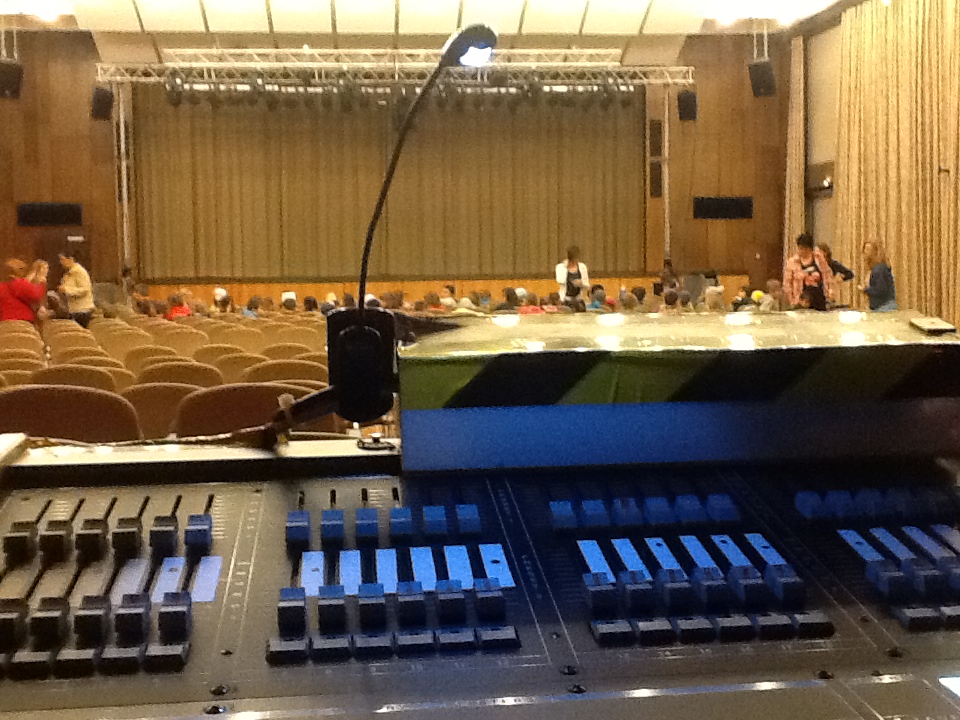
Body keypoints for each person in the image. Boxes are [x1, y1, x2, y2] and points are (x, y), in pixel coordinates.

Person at [783, 233, 834, 311]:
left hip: (819, 299)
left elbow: (827, 274)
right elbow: (787, 283)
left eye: (806, 249)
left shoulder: (819, 258)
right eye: (801, 248)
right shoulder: (792, 262)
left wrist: (830, 292)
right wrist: (792, 300)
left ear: (810, 249)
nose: (803, 251)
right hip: (800, 301)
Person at [0, 258, 47, 323]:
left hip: (4, 322)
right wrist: (41, 282)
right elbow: (36, 295)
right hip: (22, 321)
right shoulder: (19, 283)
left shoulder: (1, 286)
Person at [58, 253, 95, 327]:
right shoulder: (68, 273)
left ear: (70, 259)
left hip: (81, 309)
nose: (61, 262)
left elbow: (85, 289)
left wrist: (66, 290)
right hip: (73, 309)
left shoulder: (79, 272)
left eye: (62, 259)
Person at [859, 242, 897, 311]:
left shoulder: (879, 269)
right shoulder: (880, 268)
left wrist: (865, 290)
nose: (864, 252)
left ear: (875, 252)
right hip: (883, 306)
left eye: (868, 249)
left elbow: (881, 290)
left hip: (883, 307)